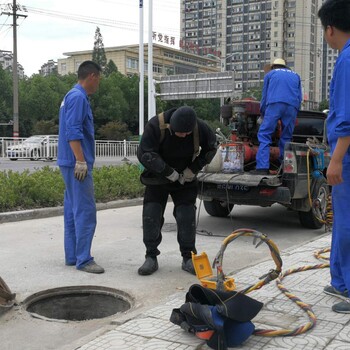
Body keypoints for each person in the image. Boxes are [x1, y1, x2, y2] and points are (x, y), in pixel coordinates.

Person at [137, 106, 217, 276]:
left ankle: (188, 257)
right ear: (171, 126)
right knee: (151, 214)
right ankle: (151, 256)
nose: (184, 136)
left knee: (186, 216)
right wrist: (167, 172)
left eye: (187, 133)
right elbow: (144, 153)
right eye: (180, 133)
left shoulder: (199, 127)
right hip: (158, 176)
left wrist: (193, 169)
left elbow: (211, 149)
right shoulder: (155, 125)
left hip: (185, 177)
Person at [57, 60, 104, 274]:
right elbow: (73, 131)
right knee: (85, 211)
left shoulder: (71, 96)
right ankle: (84, 259)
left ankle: (73, 255)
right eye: (99, 79)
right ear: (92, 76)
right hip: (76, 164)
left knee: (72, 210)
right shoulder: (78, 97)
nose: (99, 84)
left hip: (68, 162)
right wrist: (81, 160)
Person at [318, 0, 350, 314]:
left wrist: (337, 158)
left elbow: (348, 117)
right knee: (341, 220)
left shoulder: (347, 59)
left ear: (330, 29)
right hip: (346, 152)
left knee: (348, 222)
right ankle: (340, 281)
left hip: (348, 155)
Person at [251, 58, 302, 175]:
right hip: (292, 106)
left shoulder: (270, 74)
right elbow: (299, 97)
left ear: (273, 66)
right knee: (286, 138)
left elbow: (264, 97)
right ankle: (284, 167)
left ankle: (262, 167)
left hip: (275, 104)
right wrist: (294, 112)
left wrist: (263, 113)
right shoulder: (296, 75)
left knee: (264, 135)